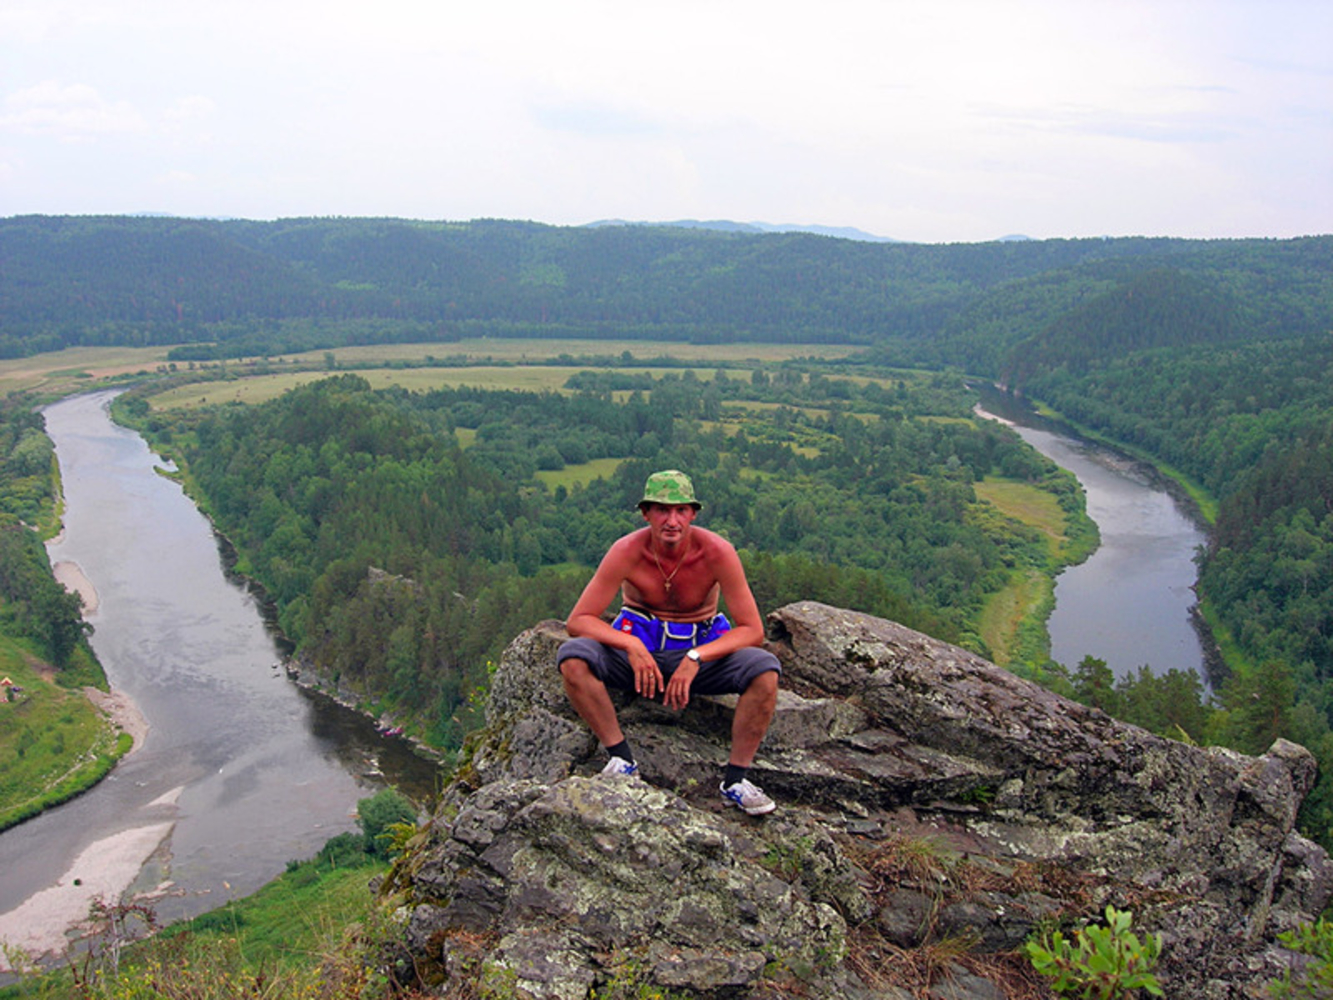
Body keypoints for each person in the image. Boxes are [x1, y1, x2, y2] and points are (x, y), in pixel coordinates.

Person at [557, 469, 781, 815]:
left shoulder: (717, 553)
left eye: (680, 510)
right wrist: (630, 646)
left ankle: (736, 780)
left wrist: (696, 657)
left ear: (693, 513)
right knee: (573, 658)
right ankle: (621, 759)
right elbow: (578, 621)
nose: (671, 520)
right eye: (661, 510)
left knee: (765, 672)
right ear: (646, 513)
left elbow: (752, 630)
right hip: (638, 650)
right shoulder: (628, 551)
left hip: (699, 653)